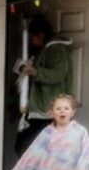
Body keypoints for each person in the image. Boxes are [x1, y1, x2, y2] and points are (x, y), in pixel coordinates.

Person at [14, 15, 73, 156]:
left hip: (48, 111)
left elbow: (58, 75)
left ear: (40, 35)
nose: (32, 41)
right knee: (26, 147)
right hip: (40, 111)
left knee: (25, 147)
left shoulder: (56, 49)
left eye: (33, 37)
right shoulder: (45, 49)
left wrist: (34, 72)